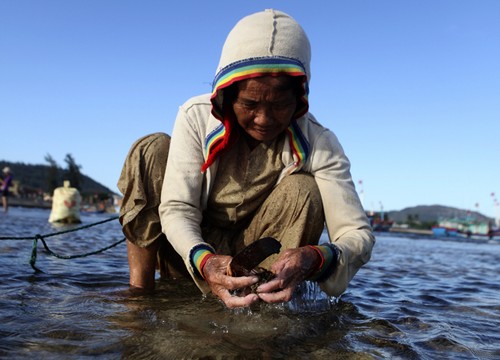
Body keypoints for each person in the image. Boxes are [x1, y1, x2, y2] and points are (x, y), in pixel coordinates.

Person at [118, 9, 374, 308]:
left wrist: (315, 257)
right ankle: (140, 293)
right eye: (250, 103)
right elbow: (178, 208)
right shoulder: (195, 116)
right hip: (189, 252)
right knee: (151, 149)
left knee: (304, 190)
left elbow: (357, 234)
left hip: (258, 257)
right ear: (228, 94)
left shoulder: (320, 141)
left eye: (279, 105)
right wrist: (206, 261)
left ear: (299, 99)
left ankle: (263, 302)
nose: (264, 119)